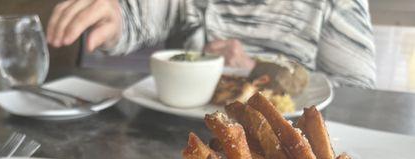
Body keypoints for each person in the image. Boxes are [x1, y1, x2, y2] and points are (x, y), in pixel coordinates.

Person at [46, 0, 376, 88]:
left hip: (288, 152)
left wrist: (259, 71)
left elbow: (357, 94)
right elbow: (141, 14)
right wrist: (116, 15)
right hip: (186, 145)